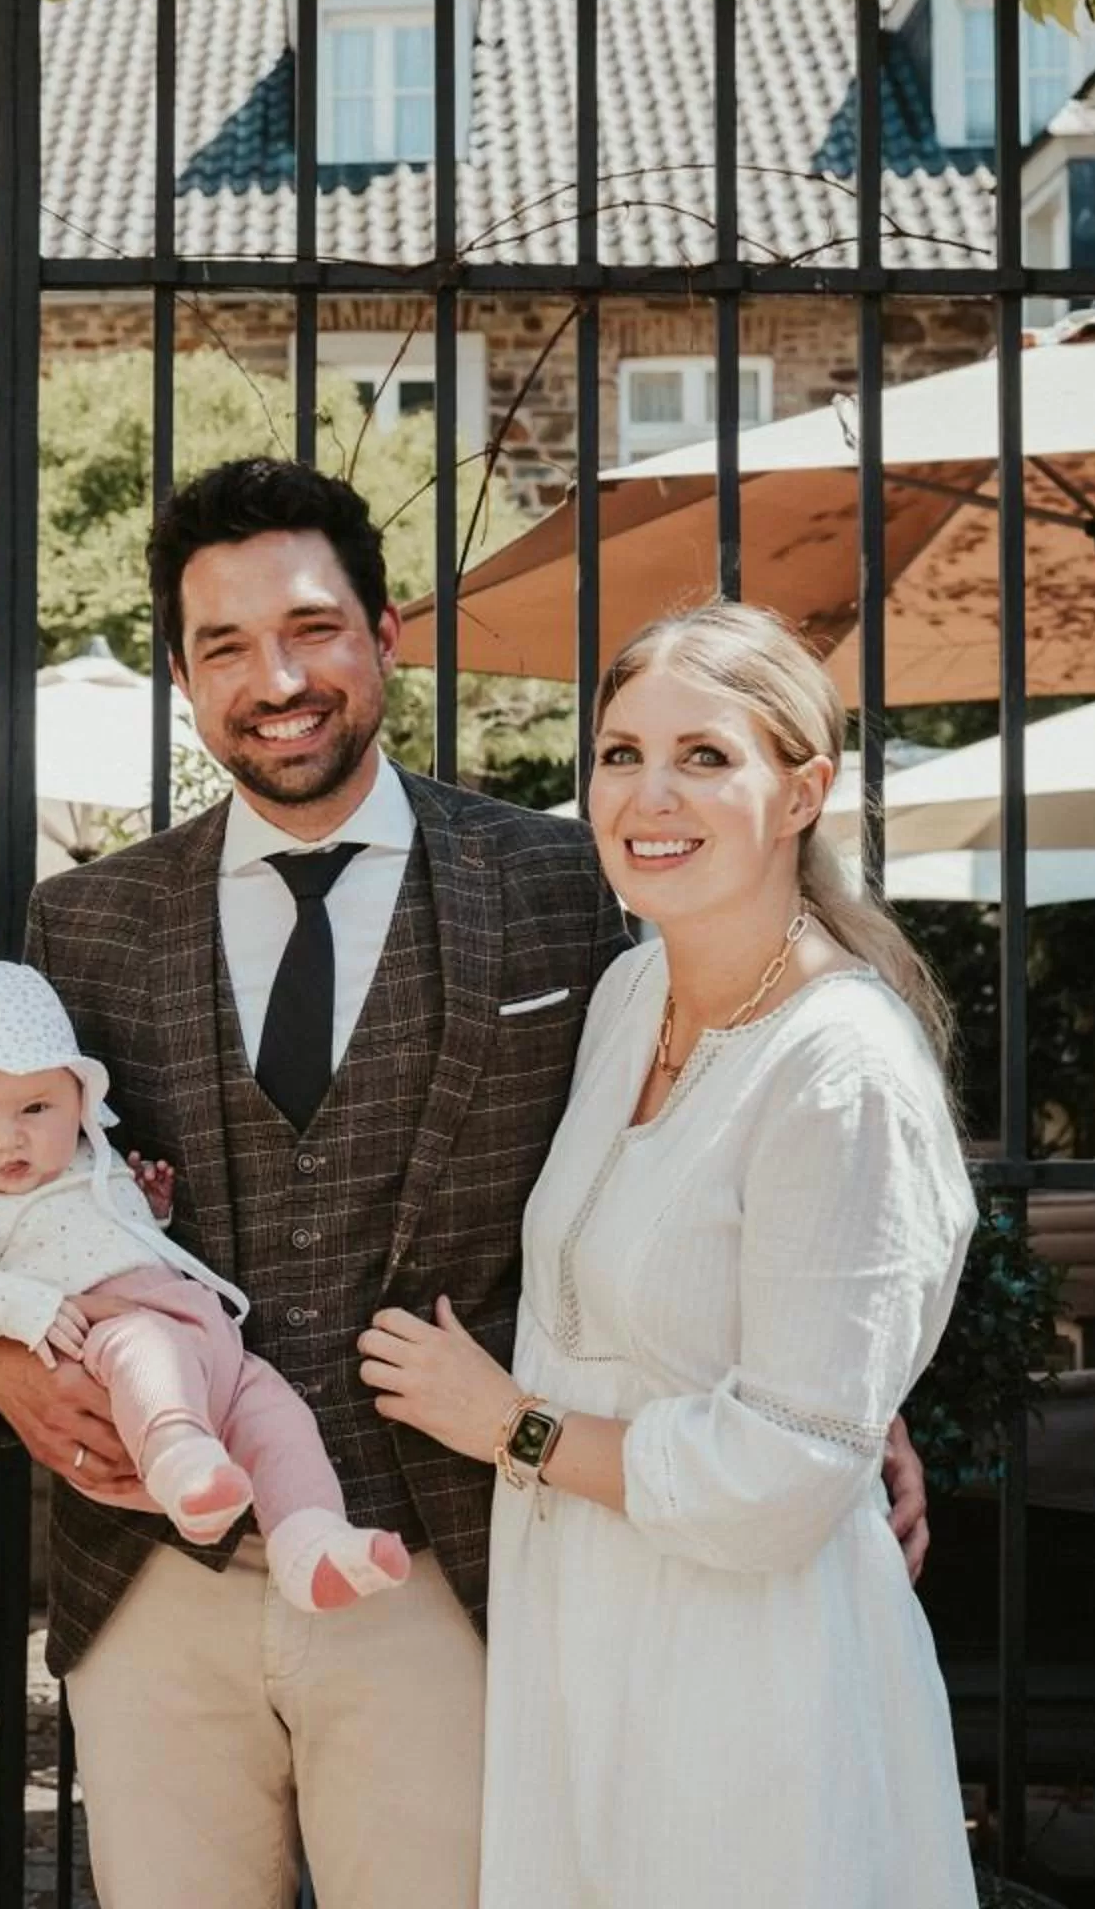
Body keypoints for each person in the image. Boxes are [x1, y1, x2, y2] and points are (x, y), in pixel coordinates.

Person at [0, 456, 932, 1909]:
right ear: (183, 675)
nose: (275, 678)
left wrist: (854, 1392)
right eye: (224, 645)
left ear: (382, 635)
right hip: (151, 1580)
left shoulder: (572, 885)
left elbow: (746, 1136)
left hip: (451, 1569)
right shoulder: (85, 923)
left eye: (310, 628)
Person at [360, 600, 979, 1909]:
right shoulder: (630, 992)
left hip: (753, 1674)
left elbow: (785, 1472)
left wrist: (510, 1426)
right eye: (621, 751)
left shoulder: (841, 1066)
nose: (650, 793)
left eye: (707, 756)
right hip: (581, 1634)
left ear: (803, 788)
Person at [0, 962, 411, 1609]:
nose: (7, 1139)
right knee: (144, 1347)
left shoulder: (91, 1162)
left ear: (79, 1100)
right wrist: (28, 1306)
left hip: (208, 1342)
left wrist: (150, 1212)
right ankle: (180, 1462)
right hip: (107, 1348)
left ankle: (311, 1544)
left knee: (278, 1415)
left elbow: (101, 1233)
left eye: (34, 1108)